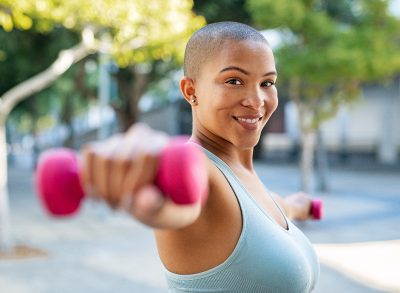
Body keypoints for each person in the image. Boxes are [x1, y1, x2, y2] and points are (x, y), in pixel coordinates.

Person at [82, 21, 320, 293]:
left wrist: (297, 207)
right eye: (234, 81)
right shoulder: (199, 170)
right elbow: (181, 200)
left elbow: (260, 213)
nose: (256, 100)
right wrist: (149, 176)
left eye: (267, 82)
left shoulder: (243, 175)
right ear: (190, 91)